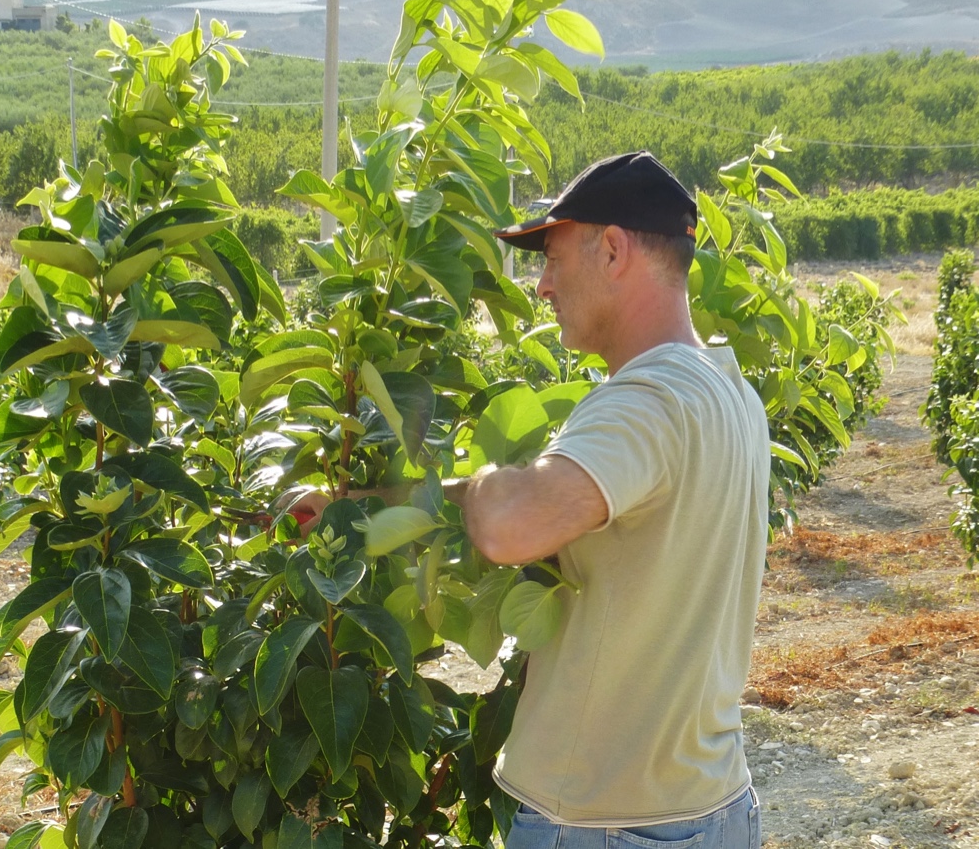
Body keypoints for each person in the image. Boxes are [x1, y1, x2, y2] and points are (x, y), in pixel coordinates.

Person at [293, 151, 770, 848]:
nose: (542, 286)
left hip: (608, 824)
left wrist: (494, 480)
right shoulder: (728, 392)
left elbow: (514, 522)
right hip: (712, 804)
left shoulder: (648, 399)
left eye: (552, 258)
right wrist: (356, 503)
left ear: (612, 249)